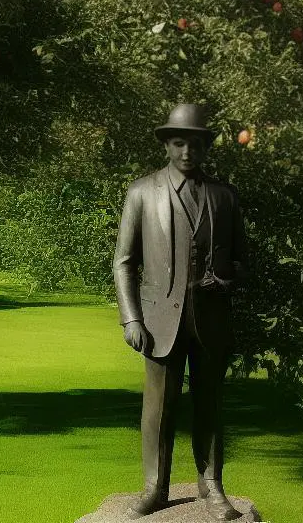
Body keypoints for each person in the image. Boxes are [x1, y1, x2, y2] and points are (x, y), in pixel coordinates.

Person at [112, 103, 250, 520]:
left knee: (209, 406)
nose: (186, 151)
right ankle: (155, 488)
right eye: (178, 143)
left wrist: (226, 279)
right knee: (158, 409)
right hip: (157, 322)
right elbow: (124, 262)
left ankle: (213, 488)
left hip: (211, 320)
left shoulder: (224, 196)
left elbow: (244, 260)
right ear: (167, 146)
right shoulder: (142, 192)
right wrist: (131, 318)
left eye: (194, 143)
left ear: (205, 146)